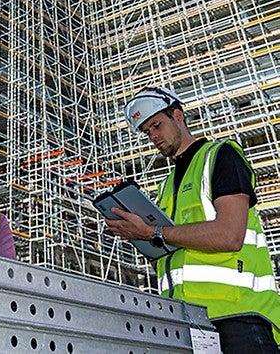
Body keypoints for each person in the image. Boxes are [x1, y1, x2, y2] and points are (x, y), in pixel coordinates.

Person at [105, 85, 280, 353]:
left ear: (178, 116)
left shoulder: (220, 156)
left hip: (239, 317)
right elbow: (170, 253)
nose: (153, 136)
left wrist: (152, 232)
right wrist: (136, 233)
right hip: (187, 322)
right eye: (147, 131)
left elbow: (230, 235)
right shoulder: (166, 187)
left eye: (157, 125)